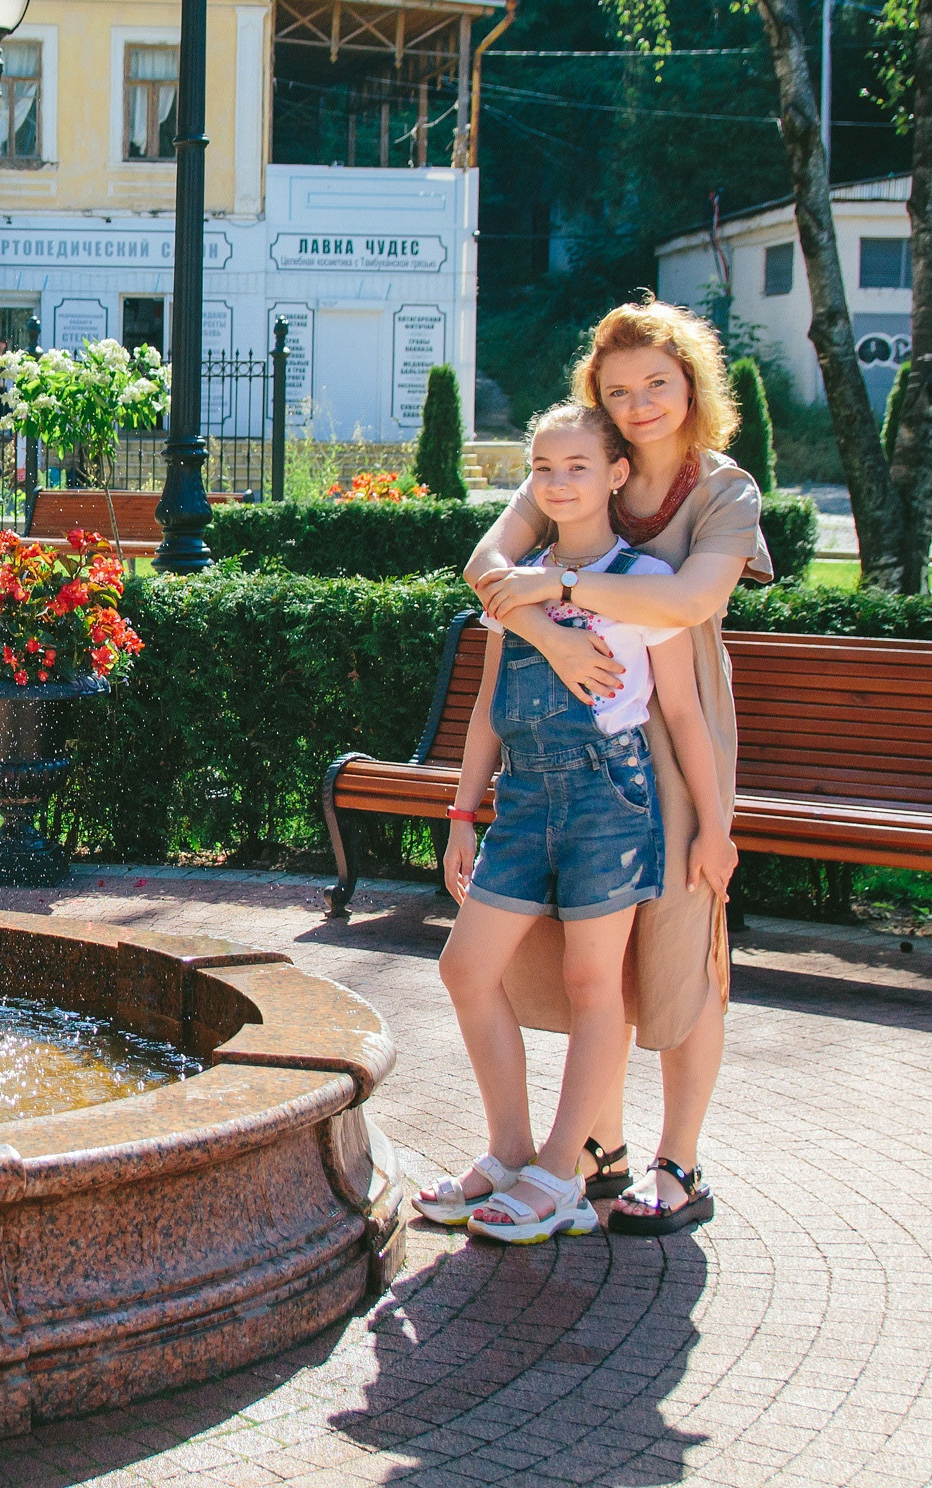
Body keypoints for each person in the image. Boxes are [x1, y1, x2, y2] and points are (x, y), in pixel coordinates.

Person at [457, 296, 769, 1237]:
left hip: (674, 730)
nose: (638, 405)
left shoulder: (724, 491)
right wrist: (553, 637)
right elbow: (486, 565)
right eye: (619, 388)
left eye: (657, 385)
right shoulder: (577, 462)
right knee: (595, 959)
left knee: (682, 946)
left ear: (692, 388)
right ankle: (598, 1151)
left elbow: (686, 601)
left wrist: (553, 587)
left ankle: (681, 1161)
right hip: (580, 715)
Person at [416, 403, 733, 1243]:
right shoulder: (513, 583)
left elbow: (685, 716)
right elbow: (487, 704)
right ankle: (509, 1151)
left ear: (616, 474)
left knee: (597, 985)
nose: (558, 483)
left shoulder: (647, 583)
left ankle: (563, 1171)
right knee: (465, 968)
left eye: (578, 467)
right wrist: (461, 812)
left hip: (610, 801)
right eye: (544, 469)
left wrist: (714, 827)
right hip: (524, 801)